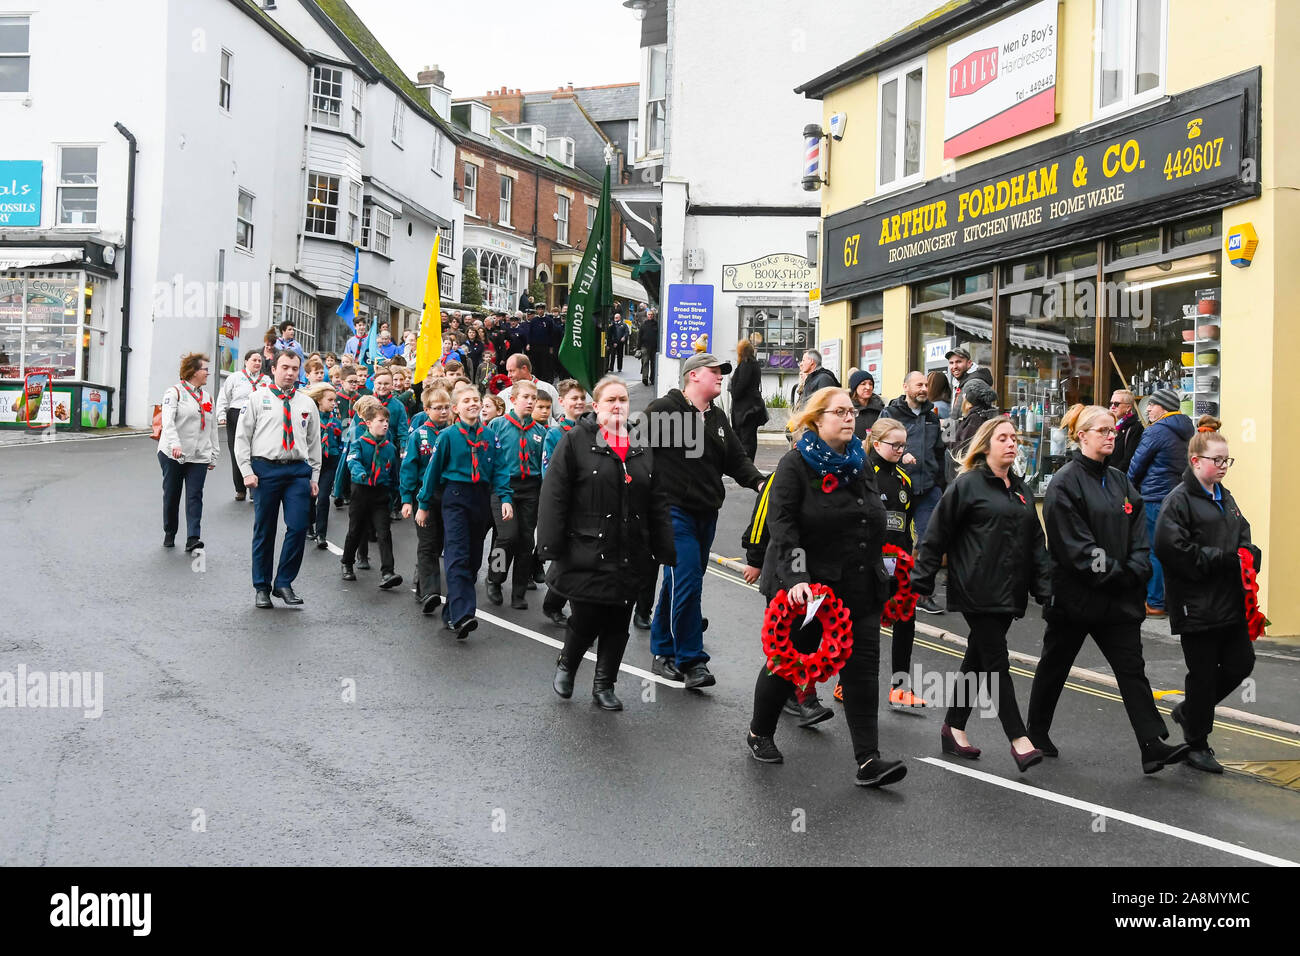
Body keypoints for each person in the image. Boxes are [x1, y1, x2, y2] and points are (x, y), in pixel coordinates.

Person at [746, 386, 906, 786]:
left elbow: (872, 518)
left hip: (860, 586)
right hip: (810, 590)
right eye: (840, 412)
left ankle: (868, 760)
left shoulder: (860, 462)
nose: (850, 417)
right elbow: (784, 528)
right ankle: (759, 732)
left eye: (852, 411)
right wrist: (799, 580)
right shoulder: (794, 465)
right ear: (817, 420)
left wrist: (888, 569)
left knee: (863, 671)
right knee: (789, 664)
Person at [1026, 404, 1190, 775]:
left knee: (1132, 669)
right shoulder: (1065, 482)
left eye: (1113, 430)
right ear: (1082, 436)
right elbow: (1075, 547)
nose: (1111, 435)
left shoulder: (1119, 480)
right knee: (1056, 664)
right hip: (1076, 597)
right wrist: (1120, 571)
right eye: (1103, 431)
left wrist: (1136, 566)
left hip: (1117, 600)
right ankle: (1036, 731)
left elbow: (1137, 532)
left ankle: (1152, 746)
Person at [911, 417, 1051, 772]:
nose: (1011, 443)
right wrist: (921, 580)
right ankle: (1019, 739)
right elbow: (936, 534)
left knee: (978, 656)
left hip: (1009, 591)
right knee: (995, 660)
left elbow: (1036, 543)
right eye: (1003, 438)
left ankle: (953, 727)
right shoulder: (967, 485)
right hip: (976, 587)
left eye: (1015, 438)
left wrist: (1045, 589)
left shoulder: (1019, 489)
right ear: (986, 445)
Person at [539, 376, 676, 710]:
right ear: (596, 406)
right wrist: (549, 546)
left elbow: (657, 500)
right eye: (611, 400)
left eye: (623, 400)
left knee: (618, 618)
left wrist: (664, 546)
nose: (618, 405)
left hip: (631, 550)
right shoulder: (575, 442)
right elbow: (555, 495)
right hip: (587, 547)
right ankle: (567, 665)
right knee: (587, 616)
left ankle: (604, 684)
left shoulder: (641, 444)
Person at [644, 353, 765, 688]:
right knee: (688, 580)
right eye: (714, 372)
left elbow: (736, 460)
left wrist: (759, 482)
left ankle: (662, 648)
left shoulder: (717, 418)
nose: (721, 377)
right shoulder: (663, 410)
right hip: (672, 512)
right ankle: (692, 660)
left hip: (706, 513)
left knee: (677, 581)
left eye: (722, 373)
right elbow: (636, 450)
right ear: (693, 376)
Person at [1154, 417, 1261, 774]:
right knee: (1200, 673)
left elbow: (1241, 532)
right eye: (1217, 460)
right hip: (1195, 603)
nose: (1223, 467)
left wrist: (1249, 553)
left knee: (1241, 663)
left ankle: (1191, 712)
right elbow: (1173, 549)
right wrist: (1223, 560)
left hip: (1228, 602)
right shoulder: (1178, 501)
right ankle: (1197, 743)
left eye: (1227, 460)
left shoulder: (1225, 498)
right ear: (1196, 461)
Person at [416, 383, 514, 640]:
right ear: (456, 408)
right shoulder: (447, 436)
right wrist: (423, 505)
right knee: (457, 554)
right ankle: (463, 615)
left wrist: (505, 497)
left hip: (480, 497)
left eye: (476, 399)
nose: (473, 403)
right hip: (456, 497)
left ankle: (452, 611)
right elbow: (432, 472)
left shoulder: (489, 436)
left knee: (473, 560)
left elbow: (500, 468)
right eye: (467, 400)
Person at [235, 349, 322, 608]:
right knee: (265, 529)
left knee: (297, 527)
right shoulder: (256, 399)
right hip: (265, 470)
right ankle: (261, 586)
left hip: (297, 471)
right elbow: (242, 438)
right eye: (285, 367)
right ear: (273, 369)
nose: (289, 373)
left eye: (295, 369)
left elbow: (314, 442)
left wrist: (314, 475)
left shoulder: (307, 403)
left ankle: (283, 582)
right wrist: (246, 472)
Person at [865, 417, 926, 710]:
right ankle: (847, 683)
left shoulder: (905, 479)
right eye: (894, 445)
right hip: (869, 562)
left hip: (899, 564)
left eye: (903, 445)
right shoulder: (864, 474)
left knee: (906, 622)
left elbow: (906, 524)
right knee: (866, 626)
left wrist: (908, 556)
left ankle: (900, 688)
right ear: (876, 444)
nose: (900, 449)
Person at [880, 371, 947, 611]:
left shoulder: (931, 416)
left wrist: (940, 484)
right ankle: (889, 588)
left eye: (926, 385)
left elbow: (940, 452)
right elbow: (876, 446)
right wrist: (899, 459)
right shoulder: (890, 413)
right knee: (895, 541)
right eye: (918, 384)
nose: (923, 388)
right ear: (905, 386)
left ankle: (922, 593)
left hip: (928, 489)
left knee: (930, 540)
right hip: (898, 488)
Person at [1127, 388, 1194, 616]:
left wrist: (1125, 490)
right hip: (1175, 496)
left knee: (1154, 550)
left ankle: (1155, 602)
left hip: (1154, 497)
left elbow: (1137, 466)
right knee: (1171, 549)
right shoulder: (1184, 430)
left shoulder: (1156, 432)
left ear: (1163, 407)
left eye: (1152, 405)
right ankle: (1170, 599)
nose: (1147, 409)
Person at [485, 380, 544, 610]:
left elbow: (542, 462)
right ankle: (495, 578)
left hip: (530, 488)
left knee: (526, 540)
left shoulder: (539, 430)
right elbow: (487, 457)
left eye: (533, 398)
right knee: (507, 536)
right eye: (526, 397)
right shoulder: (497, 425)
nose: (530, 401)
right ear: (513, 399)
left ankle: (519, 592)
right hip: (503, 487)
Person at [157, 352, 220, 551]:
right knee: (172, 494)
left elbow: (212, 428)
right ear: (193, 371)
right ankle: (170, 530)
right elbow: (167, 422)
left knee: (195, 495)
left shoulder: (207, 397)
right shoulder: (174, 393)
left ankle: (193, 537)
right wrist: (175, 444)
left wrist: (214, 453)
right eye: (205, 370)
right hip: (172, 453)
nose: (208, 374)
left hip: (199, 455)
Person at [539, 380, 586, 628]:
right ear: (563, 402)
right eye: (573, 398)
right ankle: (566, 611)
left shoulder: (592, 430)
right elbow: (549, 472)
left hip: (587, 504)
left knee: (576, 557)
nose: (578, 402)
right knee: (570, 557)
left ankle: (553, 603)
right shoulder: (555, 434)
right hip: (565, 503)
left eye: (581, 398)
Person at [340, 402, 402, 590]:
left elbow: (394, 475)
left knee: (384, 533)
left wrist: (395, 498)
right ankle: (347, 562)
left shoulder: (390, 448)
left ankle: (388, 572)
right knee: (355, 530)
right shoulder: (359, 444)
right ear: (368, 423)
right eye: (380, 421)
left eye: (387, 421)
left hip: (380, 495)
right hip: (361, 491)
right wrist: (361, 474)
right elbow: (353, 461)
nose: (385, 424)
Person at [402, 388, 452, 613]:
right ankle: (430, 592)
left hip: (449, 495)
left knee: (440, 541)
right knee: (428, 541)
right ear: (426, 410)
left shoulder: (453, 434)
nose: (443, 411)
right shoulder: (419, 435)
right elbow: (409, 467)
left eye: (446, 407)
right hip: (424, 495)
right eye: (437, 408)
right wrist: (406, 499)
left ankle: (422, 578)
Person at [215, 350, 266, 501]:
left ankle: (254, 488)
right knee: (237, 450)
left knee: (256, 450)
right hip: (236, 415)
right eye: (254, 360)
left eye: (259, 361)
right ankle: (240, 488)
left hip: (258, 416)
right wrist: (221, 415)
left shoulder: (266, 380)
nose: (257, 363)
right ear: (246, 361)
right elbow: (224, 396)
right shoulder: (235, 377)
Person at [306, 382, 342, 550]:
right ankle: (309, 526)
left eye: (335, 400)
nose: (333, 403)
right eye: (330, 400)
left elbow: (342, 440)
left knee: (324, 497)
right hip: (313, 461)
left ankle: (321, 534)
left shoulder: (336, 420)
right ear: (319, 400)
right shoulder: (310, 418)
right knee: (310, 496)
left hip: (330, 461)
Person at [728, 338, 766, 461]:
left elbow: (740, 386)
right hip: (751, 408)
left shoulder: (746, 364)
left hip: (746, 410)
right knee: (748, 439)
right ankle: (746, 464)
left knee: (745, 440)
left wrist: (733, 391)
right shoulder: (753, 363)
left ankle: (746, 465)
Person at [950, 377, 1000, 462]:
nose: (962, 397)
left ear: (969, 399)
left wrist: (947, 433)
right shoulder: (985, 415)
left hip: (971, 468)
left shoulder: (975, 418)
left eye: (964, 395)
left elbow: (962, 450)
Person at [945, 346, 993, 422]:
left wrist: (947, 423)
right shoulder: (959, 381)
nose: (954, 366)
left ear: (969, 363)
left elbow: (960, 415)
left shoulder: (973, 383)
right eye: (951, 363)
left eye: (959, 362)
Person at [1106, 389, 1142, 474]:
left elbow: (1129, 460)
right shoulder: (1108, 425)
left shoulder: (1135, 428)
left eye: (1116, 404)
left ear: (1128, 407)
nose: (1112, 407)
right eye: (1111, 403)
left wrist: (1113, 476)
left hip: (1119, 477)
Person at [849, 369, 884, 440]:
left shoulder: (880, 407)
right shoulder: (847, 408)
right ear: (855, 387)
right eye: (863, 384)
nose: (868, 387)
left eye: (870, 384)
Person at [639, 309, 659, 387]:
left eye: (651, 314)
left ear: (653, 315)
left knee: (653, 364)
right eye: (649, 314)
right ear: (647, 315)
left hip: (654, 347)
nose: (650, 316)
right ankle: (645, 378)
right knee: (645, 362)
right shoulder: (643, 324)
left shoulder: (656, 324)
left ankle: (652, 378)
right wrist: (638, 347)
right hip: (645, 346)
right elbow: (640, 336)